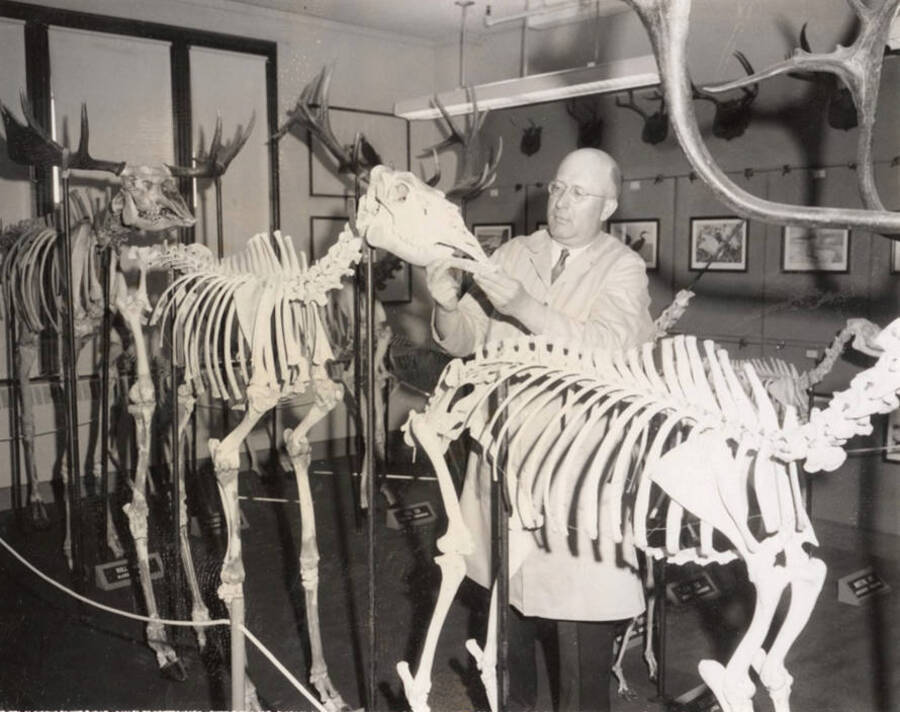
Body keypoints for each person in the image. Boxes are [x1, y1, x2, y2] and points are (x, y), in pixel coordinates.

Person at [426, 148, 654, 711]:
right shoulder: (513, 252)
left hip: (573, 476)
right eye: (557, 188)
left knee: (580, 642)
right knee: (506, 640)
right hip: (504, 463)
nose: (561, 203)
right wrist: (448, 306)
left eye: (579, 194)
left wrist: (524, 305)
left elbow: (608, 346)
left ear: (610, 207)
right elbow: (467, 339)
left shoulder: (622, 267)